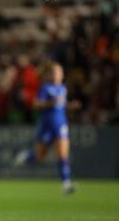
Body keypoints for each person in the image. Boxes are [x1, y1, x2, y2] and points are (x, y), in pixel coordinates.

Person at [14, 61, 80, 194]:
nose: (58, 74)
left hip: (60, 125)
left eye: (60, 72)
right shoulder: (45, 88)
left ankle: (66, 185)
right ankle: (26, 157)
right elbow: (36, 104)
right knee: (40, 156)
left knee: (62, 155)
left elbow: (61, 105)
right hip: (46, 126)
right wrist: (51, 103)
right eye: (55, 72)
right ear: (50, 74)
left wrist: (70, 106)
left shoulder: (63, 88)